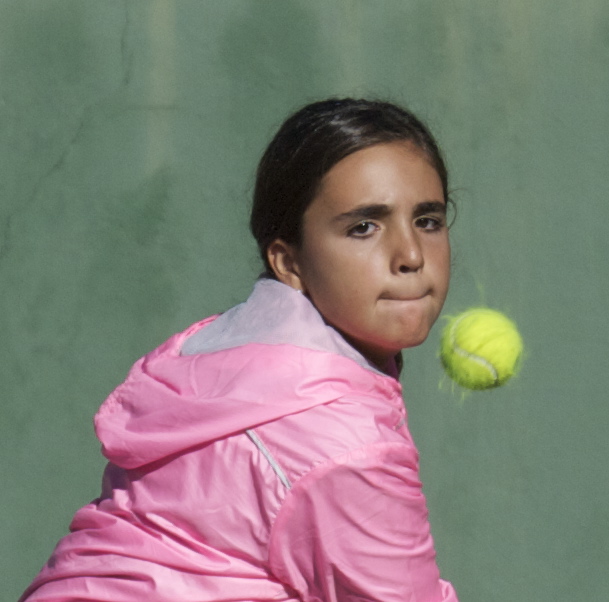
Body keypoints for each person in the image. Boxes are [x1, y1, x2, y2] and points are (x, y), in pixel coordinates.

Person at [21, 98, 459, 601]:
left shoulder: (212, 350)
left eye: (428, 220)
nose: (410, 255)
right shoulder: (345, 441)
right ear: (288, 262)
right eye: (363, 227)